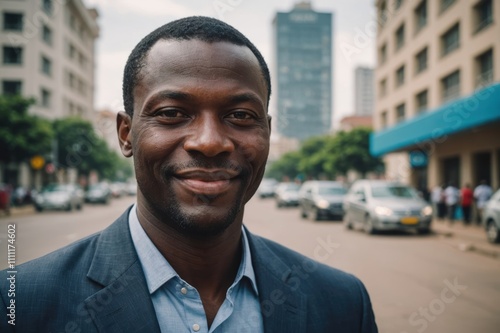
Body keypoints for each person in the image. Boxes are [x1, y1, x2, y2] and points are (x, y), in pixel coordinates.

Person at [0, 17, 377, 333]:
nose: (210, 143)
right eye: (171, 113)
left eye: (241, 116)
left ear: (266, 130)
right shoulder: (19, 304)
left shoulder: (342, 303)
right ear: (126, 134)